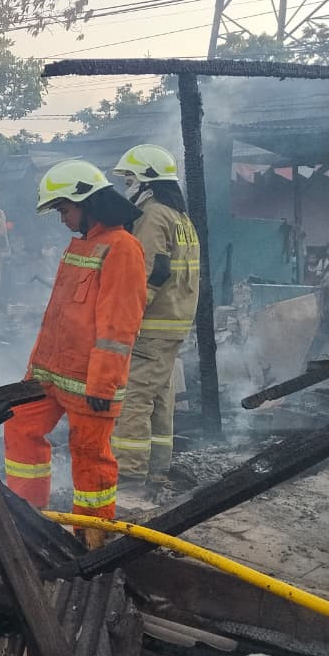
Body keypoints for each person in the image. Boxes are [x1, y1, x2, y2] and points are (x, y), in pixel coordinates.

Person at [3, 160, 146, 547]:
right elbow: (56, 317)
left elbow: (119, 325)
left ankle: (91, 539)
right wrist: (34, 370)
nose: (62, 220)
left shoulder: (123, 249)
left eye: (65, 210)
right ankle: (26, 519)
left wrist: (103, 383)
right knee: (19, 426)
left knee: (89, 458)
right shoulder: (80, 243)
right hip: (50, 374)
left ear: (88, 203)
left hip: (91, 383)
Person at [108, 145, 200, 485]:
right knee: (161, 396)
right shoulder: (181, 217)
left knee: (134, 396)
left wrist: (125, 319)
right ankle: (158, 465)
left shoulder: (153, 215)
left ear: (147, 180)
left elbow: (147, 271)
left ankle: (129, 472)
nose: (126, 185)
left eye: (129, 178)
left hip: (151, 322)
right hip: (174, 322)